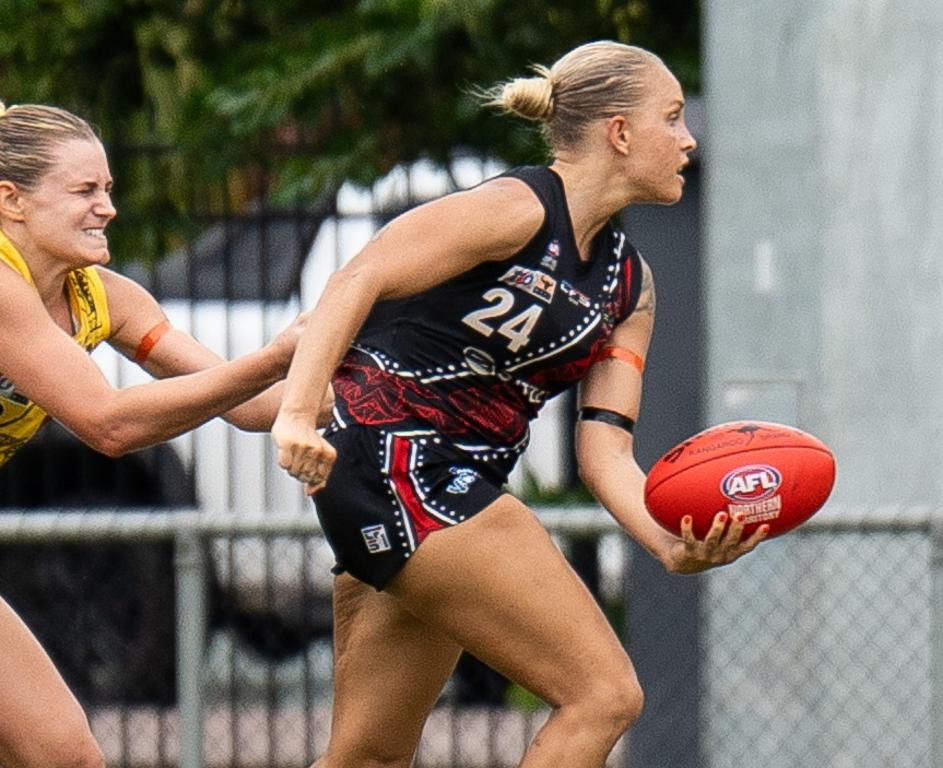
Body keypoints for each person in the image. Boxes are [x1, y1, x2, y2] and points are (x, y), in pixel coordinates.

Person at [272, 41, 769, 768]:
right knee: (604, 696)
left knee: (367, 758)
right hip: (404, 464)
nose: (690, 138)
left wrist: (668, 543)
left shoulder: (629, 287)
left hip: (425, 491)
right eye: (673, 117)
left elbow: (606, 451)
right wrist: (295, 410)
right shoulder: (514, 210)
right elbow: (359, 276)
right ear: (620, 133)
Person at [0, 101, 324, 768]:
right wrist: (272, 356)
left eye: (109, 190)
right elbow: (108, 424)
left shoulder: (102, 297)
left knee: (65, 755)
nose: (107, 208)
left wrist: (381, 389)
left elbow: (248, 404)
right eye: (86, 190)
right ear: (12, 200)